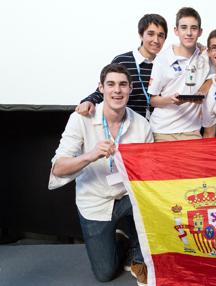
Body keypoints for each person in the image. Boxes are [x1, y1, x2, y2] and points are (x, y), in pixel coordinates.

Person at [49, 64, 153, 286]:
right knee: (105, 274)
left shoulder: (141, 124)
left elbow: (147, 172)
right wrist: (91, 155)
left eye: (123, 85)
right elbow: (58, 168)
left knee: (150, 202)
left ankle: (137, 251)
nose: (117, 90)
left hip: (127, 197)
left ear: (131, 88)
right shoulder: (81, 119)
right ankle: (119, 240)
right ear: (101, 88)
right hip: (95, 200)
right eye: (111, 84)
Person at [75, 14, 168, 119]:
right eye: (151, 34)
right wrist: (88, 101)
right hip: (127, 126)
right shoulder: (122, 61)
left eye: (161, 35)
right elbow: (105, 90)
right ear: (141, 35)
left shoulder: (166, 65)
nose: (156, 40)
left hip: (157, 127)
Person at [147, 7, 210, 142]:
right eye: (184, 28)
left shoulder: (205, 56)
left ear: (200, 32)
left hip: (191, 131)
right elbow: (152, 100)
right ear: (176, 30)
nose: (188, 33)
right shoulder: (163, 59)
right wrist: (171, 99)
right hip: (162, 131)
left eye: (193, 28)